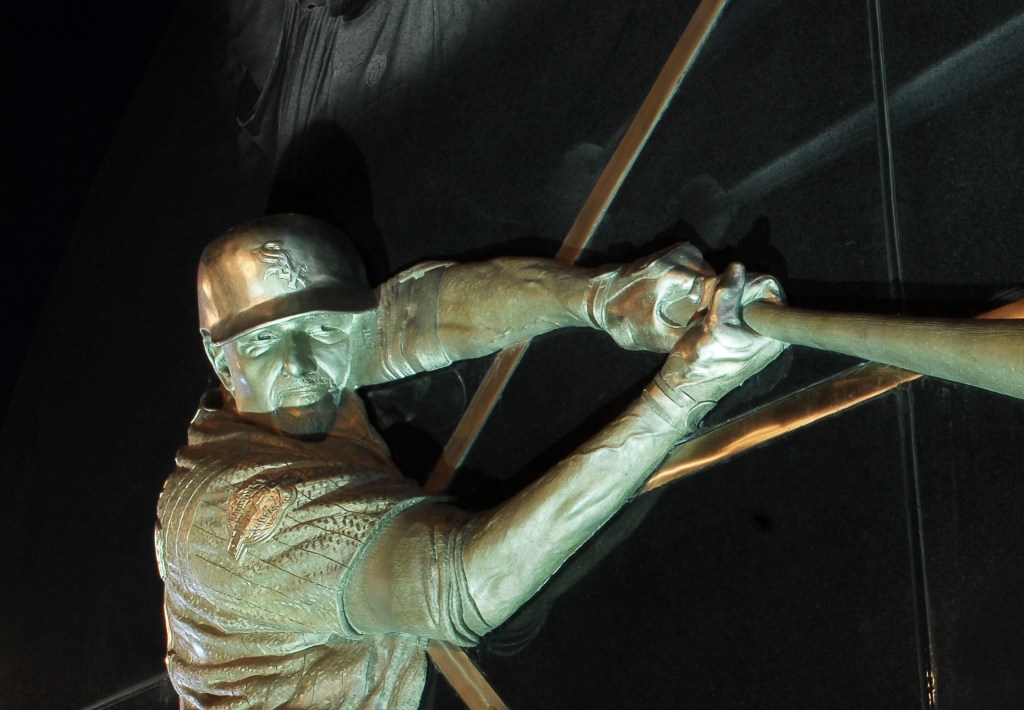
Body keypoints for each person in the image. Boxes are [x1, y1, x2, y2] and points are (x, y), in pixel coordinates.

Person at [156, 213, 786, 708]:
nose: (300, 367)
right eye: (263, 342)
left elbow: (425, 312)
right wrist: (685, 390)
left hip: (377, 641)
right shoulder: (237, 519)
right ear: (220, 359)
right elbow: (462, 585)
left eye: (322, 330)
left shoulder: (277, 387)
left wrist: (607, 297)